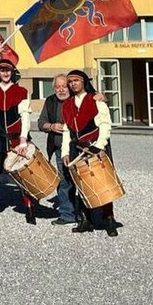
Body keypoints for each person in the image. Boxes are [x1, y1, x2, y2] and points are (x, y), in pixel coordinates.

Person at [61, 69, 119, 237]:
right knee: (81, 184)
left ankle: (109, 220)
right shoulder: (67, 105)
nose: (73, 84)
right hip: (76, 149)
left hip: (95, 147)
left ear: (83, 82)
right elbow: (67, 131)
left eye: (76, 80)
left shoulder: (95, 100)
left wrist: (98, 146)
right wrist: (65, 152)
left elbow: (105, 124)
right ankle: (85, 220)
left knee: (103, 183)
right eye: (70, 81)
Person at [0, 58, 34, 223]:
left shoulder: (21, 91)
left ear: (12, 72)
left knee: (22, 173)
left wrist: (23, 139)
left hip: (16, 139)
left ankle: (29, 206)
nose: (5, 73)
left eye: (8, 70)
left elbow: (25, 117)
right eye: (2, 70)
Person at [37, 74, 76, 225]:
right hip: (59, 148)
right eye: (58, 87)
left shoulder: (76, 99)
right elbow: (41, 123)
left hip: (78, 147)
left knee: (82, 180)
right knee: (64, 180)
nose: (61, 90)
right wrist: (51, 126)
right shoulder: (50, 101)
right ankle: (67, 214)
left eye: (64, 86)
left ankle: (86, 212)